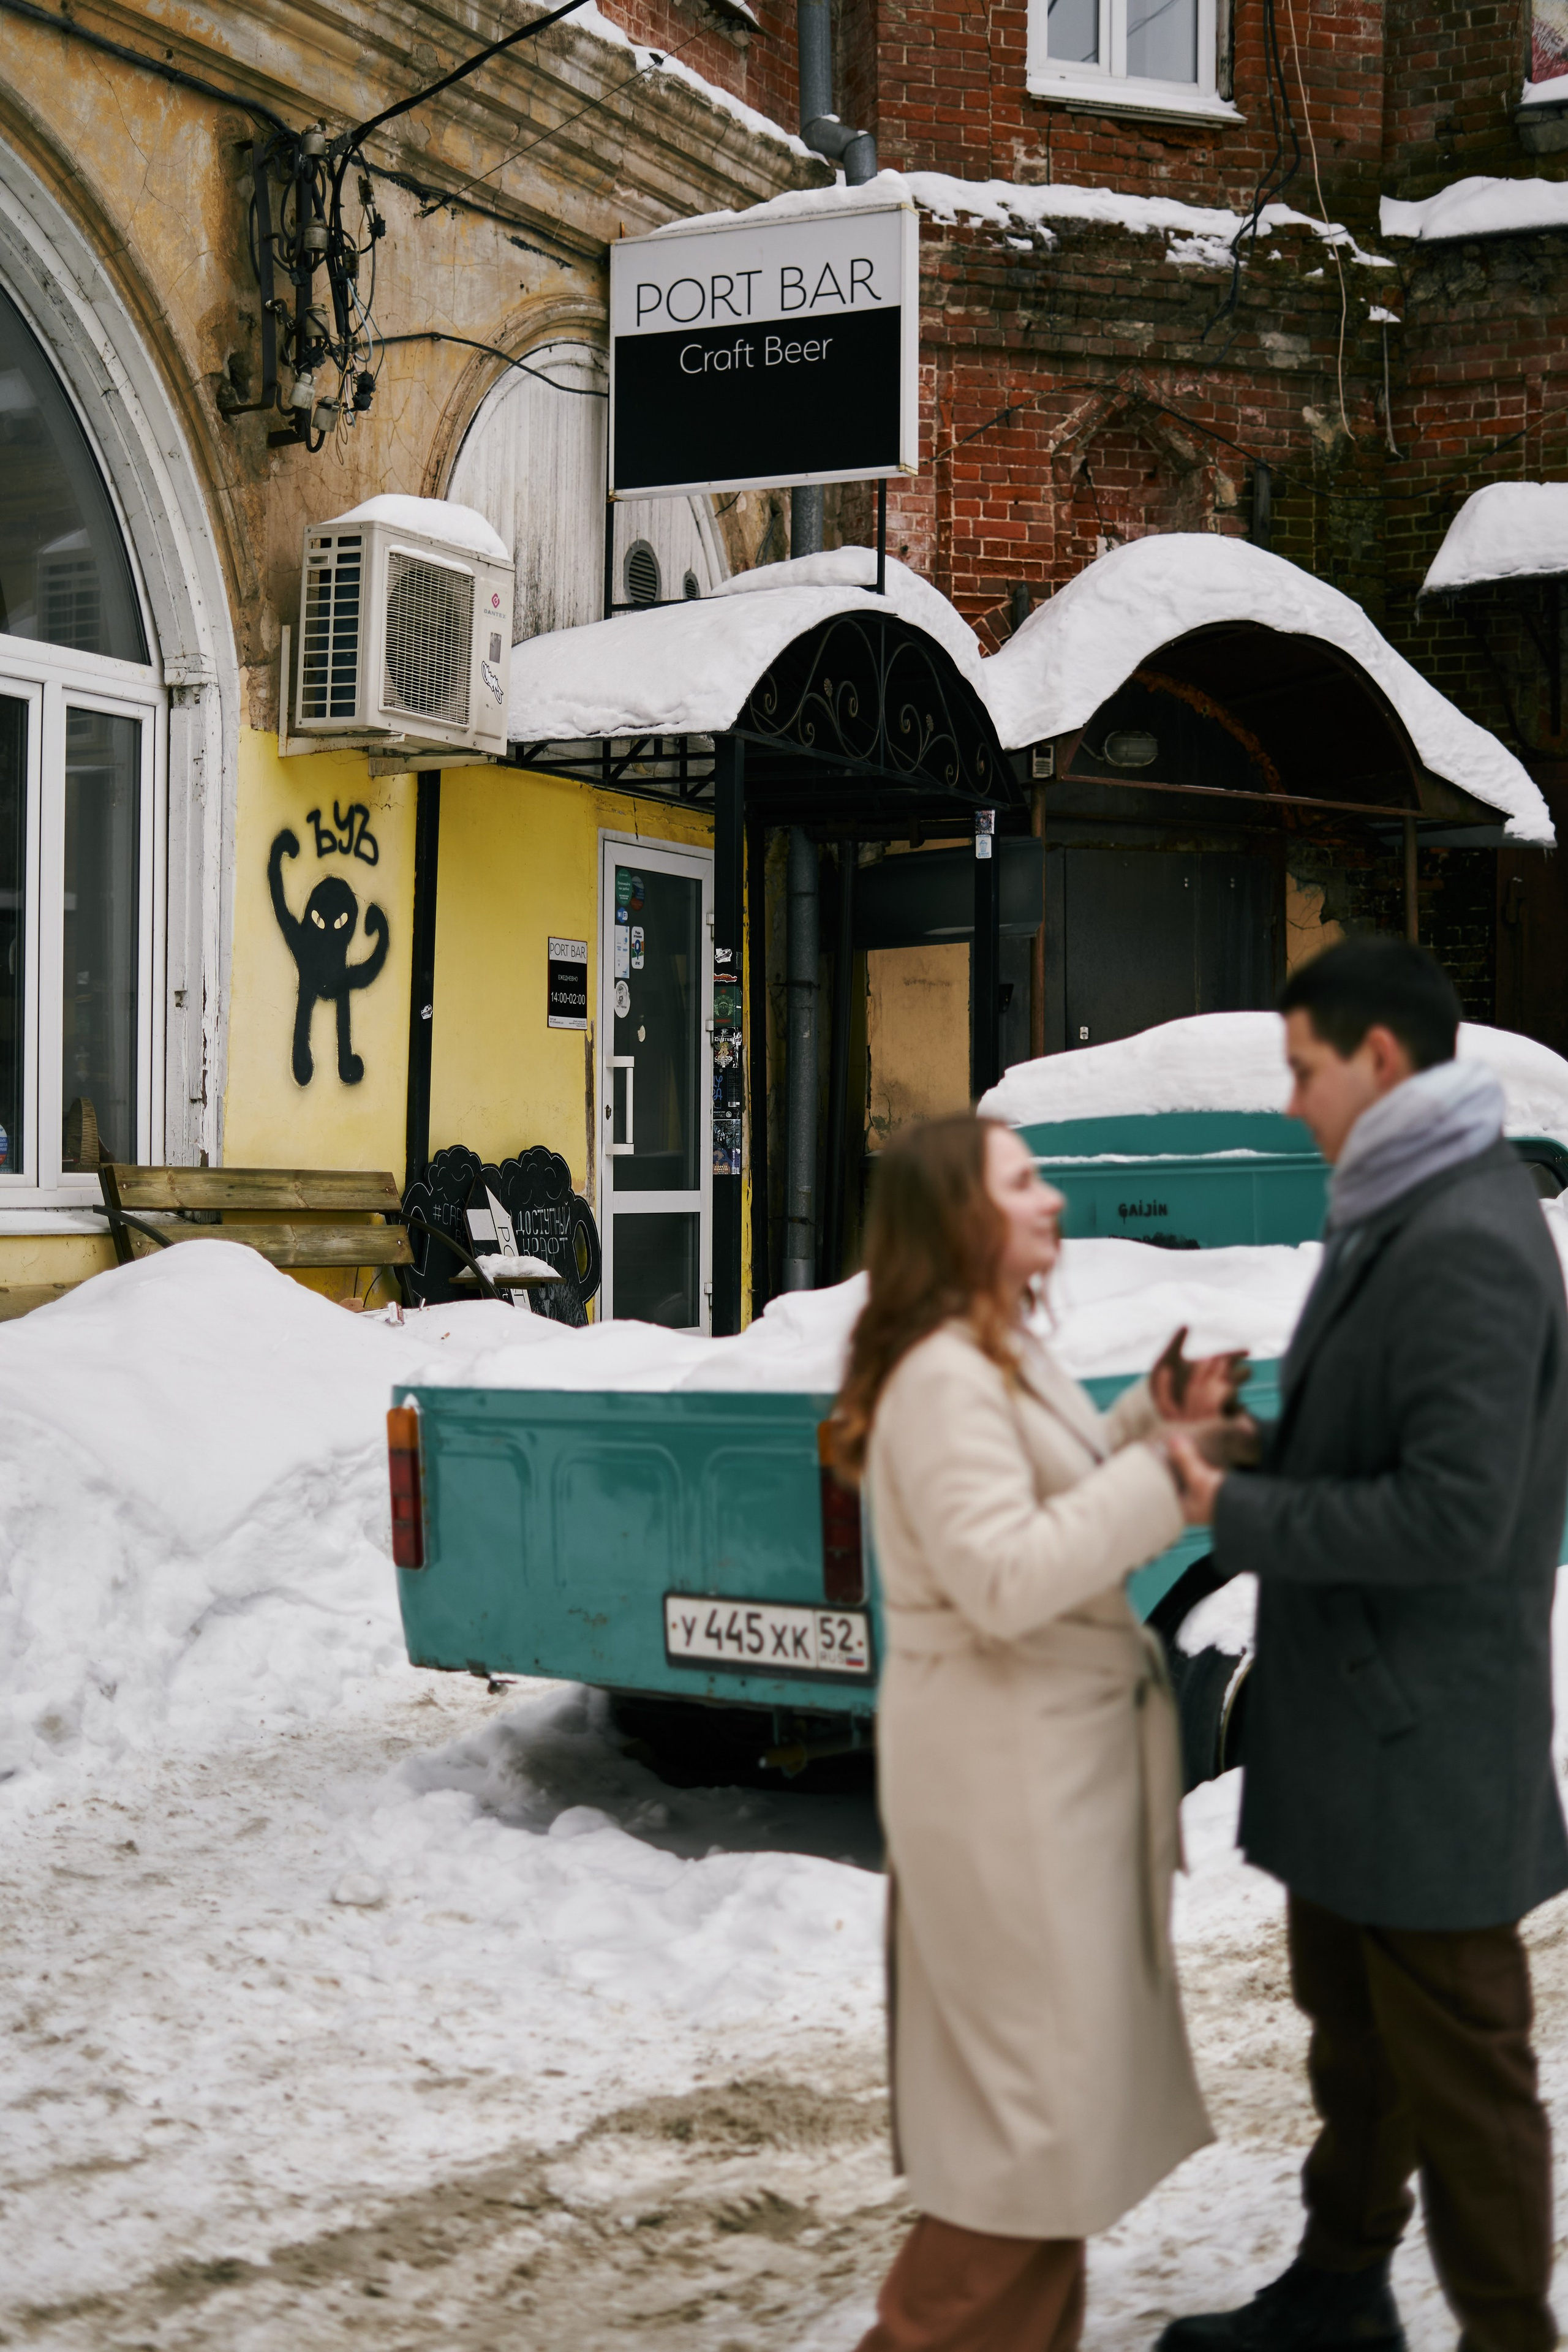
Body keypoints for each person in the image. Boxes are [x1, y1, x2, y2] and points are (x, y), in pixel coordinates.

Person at [1160, 938, 1568, 2352]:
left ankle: (1511, 2336)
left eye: (1301, 1070)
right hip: (1365, 1729)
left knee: (1464, 2078)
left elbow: (1454, 1513)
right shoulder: (1400, 1201)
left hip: (1425, 1741)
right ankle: (1339, 2292)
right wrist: (1244, 1445)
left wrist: (1234, 1506)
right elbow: (1379, 1447)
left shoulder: (1462, 1231)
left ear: (1378, 1061)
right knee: (1360, 2042)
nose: (1290, 1103)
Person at [832, 1111, 1245, 2352]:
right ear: (957, 1218)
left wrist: (1139, 1426)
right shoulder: (942, 1380)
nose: (1051, 1202)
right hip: (1003, 1809)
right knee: (1019, 2155)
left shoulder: (993, 1351)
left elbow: (1045, 1497)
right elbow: (1005, 1575)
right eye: (1022, 1184)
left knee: (1041, 2148)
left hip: (1038, 1793)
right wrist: (1168, 1478)